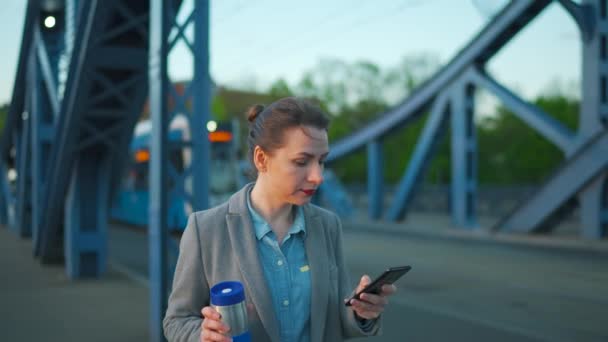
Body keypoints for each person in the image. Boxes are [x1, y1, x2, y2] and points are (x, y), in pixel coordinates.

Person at [163, 97, 397, 342]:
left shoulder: (328, 225)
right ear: (261, 159)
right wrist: (202, 335)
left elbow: (333, 320)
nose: (318, 176)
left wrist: (361, 313)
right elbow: (177, 321)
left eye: (322, 161)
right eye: (301, 162)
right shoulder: (206, 229)